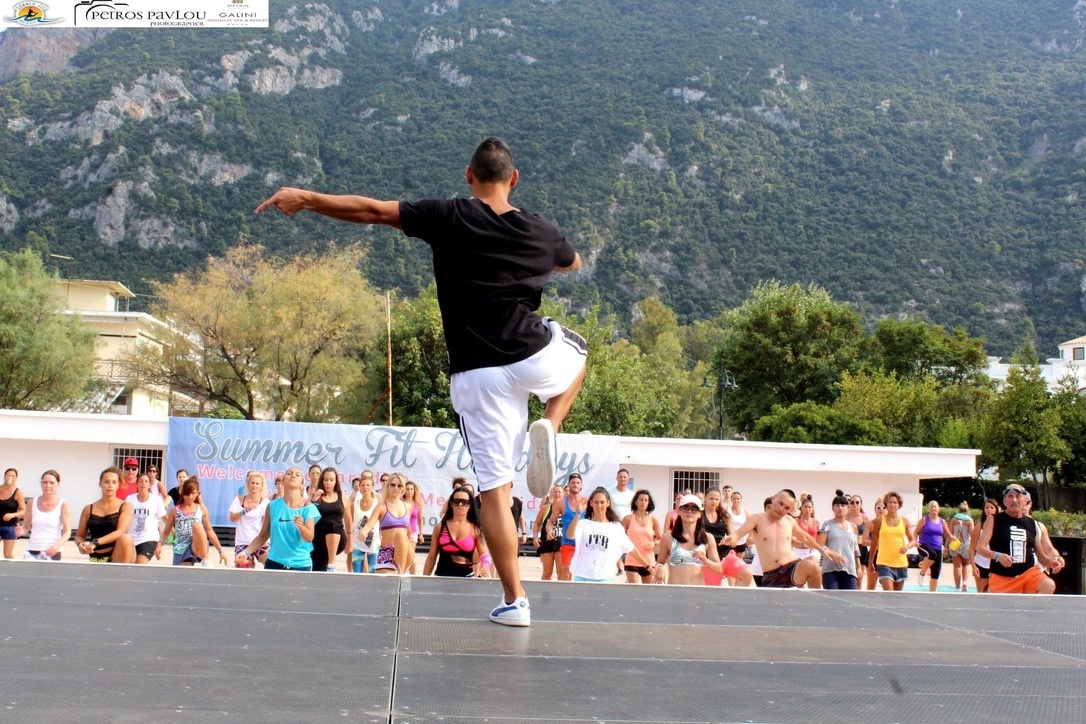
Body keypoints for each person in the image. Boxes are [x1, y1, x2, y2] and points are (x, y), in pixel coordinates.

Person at [258, 136, 588, 626]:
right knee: (577, 355)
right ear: (514, 179)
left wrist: (306, 198)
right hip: (531, 353)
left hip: (477, 373)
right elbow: (571, 262)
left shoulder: (449, 215)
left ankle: (516, 601)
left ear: (469, 176)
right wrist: (533, 257)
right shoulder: (541, 229)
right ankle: (551, 424)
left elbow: (372, 211)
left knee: (495, 491)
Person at [724, 489, 843, 588]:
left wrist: (822, 550)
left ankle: (815, 601)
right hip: (771, 575)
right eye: (780, 503)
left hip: (791, 568)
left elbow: (805, 537)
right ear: (774, 498)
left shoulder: (789, 521)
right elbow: (738, 533)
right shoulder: (757, 519)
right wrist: (731, 538)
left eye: (786, 508)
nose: (782, 509)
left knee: (813, 566)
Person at [976, 484, 1063, 594]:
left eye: (1018, 496)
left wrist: (1052, 561)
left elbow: (1041, 554)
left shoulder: (1033, 524)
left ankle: (1032, 606)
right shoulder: (993, 520)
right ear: (1004, 501)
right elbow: (980, 548)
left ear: (1025, 501)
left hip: (1028, 574)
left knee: (1048, 585)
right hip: (1002, 577)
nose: (1014, 500)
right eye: (1010, 496)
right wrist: (997, 555)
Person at [236, 466, 320, 571]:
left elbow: (309, 538)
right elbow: (263, 536)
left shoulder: (308, 507)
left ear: (302, 485)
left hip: (300, 564)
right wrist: (245, 552)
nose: (293, 475)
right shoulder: (272, 506)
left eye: (297, 475)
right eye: (289, 473)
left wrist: (302, 527)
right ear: (283, 481)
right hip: (274, 562)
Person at [567, 487, 648, 583]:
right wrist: (578, 513)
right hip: (582, 576)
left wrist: (648, 567)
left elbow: (631, 549)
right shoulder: (583, 524)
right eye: (596, 502)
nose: (599, 505)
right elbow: (570, 535)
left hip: (604, 577)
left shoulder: (615, 527)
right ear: (591, 503)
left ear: (608, 503)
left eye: (602, 502)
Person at [653, 494, 725, 585]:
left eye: (694, 509)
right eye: (685, 508)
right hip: (674, 590)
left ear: (700, 514)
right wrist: (660, 567)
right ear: (679, 511)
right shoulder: (668, 538)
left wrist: (705, 560)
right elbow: (659, 562)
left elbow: (719, 569)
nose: (689, 511)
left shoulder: (707, 538)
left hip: (697, 591)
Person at [356, 472, 417, 574]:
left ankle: (401, 574)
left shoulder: (408, 507)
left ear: (403, 488)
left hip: (405, 551)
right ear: (388, 486)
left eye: (399, 485)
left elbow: (408, 531)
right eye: (393, 485)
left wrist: (409, 548)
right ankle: (400, 575)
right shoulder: (381, 507)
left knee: (401, 535)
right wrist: (363, 532)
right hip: (386, 552)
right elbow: (369, 525)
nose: (396, 488)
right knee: (387, 582)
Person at [423, 487, 490, 577]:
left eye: (464, 502)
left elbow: (485, 554)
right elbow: (432, 556)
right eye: (456, 501)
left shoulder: (475, 529)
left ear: (470, 505)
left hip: (466, 579)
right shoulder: (440, 527)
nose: (460, 504)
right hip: (441, 578)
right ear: (451, 504)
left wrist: (486, 565)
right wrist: (424, 579)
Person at [159, 477, 226, 566]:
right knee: (185, 572)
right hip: (181, 548)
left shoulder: (202, 509)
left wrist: (220, 551)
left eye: (193, 493)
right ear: (182, 493)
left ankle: (205, 560)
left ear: (197, 493)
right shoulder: (174, 510)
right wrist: (159, 544)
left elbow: (209, 530)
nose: (190, 497)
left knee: (197, 526)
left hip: (197, 546)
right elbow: (166, 531)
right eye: (187, 494)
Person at [75, 466, 135, 563]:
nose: (110, 485)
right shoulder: (88, 509)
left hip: (117, 557)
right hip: (96, 557)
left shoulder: (126, 506)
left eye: (114, 482)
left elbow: (120, 532)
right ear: (100, 484)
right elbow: (79, 535)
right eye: (106, 482)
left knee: (125, 538)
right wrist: (80, 543)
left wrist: (96, 542)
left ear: (118, 484)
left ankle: (123, 571)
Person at [700, 488, 751, 587]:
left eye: (717, 499)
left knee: (746, 573)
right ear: (705, 498)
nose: (714, 501)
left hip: (726, 555)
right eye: (711, 498)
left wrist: (729, 539)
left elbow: (733, 537)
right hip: (708, 558)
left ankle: (735, 595)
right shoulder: (699, 515)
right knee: (712, 589)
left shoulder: (724, 516)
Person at [866, 491, 915, 591]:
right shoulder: (879, 521)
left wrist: (907, 547)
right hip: (884, 562)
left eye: (895, 502)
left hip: (900, 562)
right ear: (886, 504)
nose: (892, 504)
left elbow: (913, 540)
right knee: (888, 593)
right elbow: (874, 542)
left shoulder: (904, 520)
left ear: (899, 505)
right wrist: (870, 561)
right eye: (890, 502)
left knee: (896, 597)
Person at [22, 470, 70, 561]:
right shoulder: (32, 502)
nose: (48, 485)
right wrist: (20, 531)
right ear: (41, 484)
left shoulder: (63, 504)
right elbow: (25, 527)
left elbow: (67, 532)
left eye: (51, 483)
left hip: (52, 551)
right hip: (32, 549)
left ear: (58, 484)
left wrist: (57, 546)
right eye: (45, 482)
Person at [817, 491, 861, 589]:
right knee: (832, 596)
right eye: (837, 505)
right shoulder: (827, 525)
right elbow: (820, 544)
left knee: (850, 596)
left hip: (849, 569)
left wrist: (858, 566)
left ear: (848, 508)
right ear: (833, 508)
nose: (840, 508)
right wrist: (833, 554)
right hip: (830, 569)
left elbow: (855, 548)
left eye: (843, 505)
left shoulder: (853, 526)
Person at [311, 467, 352, 572]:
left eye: (331, 480)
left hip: (337, 535)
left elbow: (348, 521)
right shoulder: (316, 496)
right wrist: (314, 501)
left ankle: (332, 564)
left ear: (336, 481)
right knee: (318, 569)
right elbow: (308, 516)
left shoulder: (343, 497)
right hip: (318, 536)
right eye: (325, 480)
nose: (328, 483)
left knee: (332, 526)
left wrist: (350, 541)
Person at [229, 472, 270, 568]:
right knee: (243, 566)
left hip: (259, 541)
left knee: (270, 565)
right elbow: (232, 518)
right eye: (252, 483)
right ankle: (249, 563)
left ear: (261, 486)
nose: (254, 486)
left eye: (257, 483)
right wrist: (244, 511)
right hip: (243, 541)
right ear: (248, 484)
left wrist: (265, 540)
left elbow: (267, 524)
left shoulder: (266, 502)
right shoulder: (239, 499)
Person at [126, 472, 167, 564]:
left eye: (146, 481)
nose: (143, 483)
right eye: (141, 481)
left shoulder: (156, 500)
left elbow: (166, 520)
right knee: (128, 566)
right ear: (137, 484)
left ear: (149, 485)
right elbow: (124, 518)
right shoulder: (129, 499)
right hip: (131, 539)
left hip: (148, 539)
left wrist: (161, 542)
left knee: (139, 564)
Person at [622, 489, 661, 584]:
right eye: (641, 500)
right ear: (636, 502)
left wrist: (653, 542)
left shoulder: (653, 519)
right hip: (632, 559)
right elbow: (620, 537)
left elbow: (661, 539)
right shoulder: (627, 519)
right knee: (633, 590)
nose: (643, 502)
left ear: (649, 502)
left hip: (649, 560)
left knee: (648, 591)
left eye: (646, 500)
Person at [914, 500, 952, 591]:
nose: (933, 508)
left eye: (935, 506)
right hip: (924, 545)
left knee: (935, 573)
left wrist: (953, 538)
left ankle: (933, 593)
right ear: (929, 509)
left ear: (938, 508)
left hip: (937, 547)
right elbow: (916, 532)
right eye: (931, 506)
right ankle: (922, 573)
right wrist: (915, 542)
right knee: (932, 555)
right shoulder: (924, 520)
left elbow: (948, 535)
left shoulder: (942, 522)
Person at [532, 484, 565, 580]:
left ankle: (561, 590)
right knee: (547, 572)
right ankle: (545, 589)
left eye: (559, 492)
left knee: (561, 572)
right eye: (555, 492)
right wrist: (535, 537)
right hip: (547, 543)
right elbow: (536, 523)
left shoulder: (566, 509)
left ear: (563, 494)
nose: (557, 494)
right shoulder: (545, 508)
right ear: (551, 494)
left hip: (561, 543)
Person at [557, 473, 586, 581]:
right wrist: (549, 529)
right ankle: (565, 591)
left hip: (584, 543)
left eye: (578, 482)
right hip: (567, 543)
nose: (575, 484)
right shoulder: (561, 503)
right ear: (568, 484)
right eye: (573, 482)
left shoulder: (587, 502)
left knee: (583, 573)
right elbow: (551, 521)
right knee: (566, 570)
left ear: (582, 485)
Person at [351, 472, 380, 573]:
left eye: (368, 485)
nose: (365, 487)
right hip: (357, 542)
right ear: (359, 487)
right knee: (357, 574)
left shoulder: (377, 502)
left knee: (373, 573)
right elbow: (350, 520)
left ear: (372, 487)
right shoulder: (355, 502)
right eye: (363, 485)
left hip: (374, 544)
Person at [970, 498, 1001, 593]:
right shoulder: (979, 527)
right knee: (982, 592)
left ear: (996, 509)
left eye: (992, 508)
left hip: (996, 563)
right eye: (987, 508)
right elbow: (972, 548)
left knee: (996, 591)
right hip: (981, 563)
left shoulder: (1001, 526)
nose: (989, 510)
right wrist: (973, 566)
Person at [859, 497, 886, 589]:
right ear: (875, 509)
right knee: (871, 586)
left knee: (888, 584)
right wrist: (875, 543)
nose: (881, 509)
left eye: (884, 507)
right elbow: (864, 541)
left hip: (888, 555)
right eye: (879, 507)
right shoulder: (870, 523)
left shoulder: (892, 524)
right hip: (874, 554)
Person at [0, 467, 26, 559]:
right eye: (8, 475)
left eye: (13, 476)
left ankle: (13, 567)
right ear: (4, 477)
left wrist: (13, 514)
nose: (10, 477)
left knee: (7, 554)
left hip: (9, 526)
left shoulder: (17, 492)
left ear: (16, 478)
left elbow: (24, 511)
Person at [846, 495, 870, 586]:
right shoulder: (846, 517)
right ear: (849, 504)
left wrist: (862, 538)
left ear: (861, 504)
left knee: (860, 577)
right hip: (849, 549)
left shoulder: (865, 518)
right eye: (852, 502)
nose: (855, 504)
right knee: (849, 575)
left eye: (857, 502)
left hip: (862, 548)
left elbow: (871, 534)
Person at [949, 502, 973, 592]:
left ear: (958, 510)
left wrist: (946, 547)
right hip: (966, 544)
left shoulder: (954, 520)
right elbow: (972, 534)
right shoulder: (969, 520)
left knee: (957, 566)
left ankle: (957, 587)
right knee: (966, 564)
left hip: (954, 543)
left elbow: (949, 534)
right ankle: (965, 582)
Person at [403, 479, 424, 574]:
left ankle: (413, 576)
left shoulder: (417, 503)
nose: (409, 491)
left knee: (411, 555)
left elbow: (420, 519)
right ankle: (401, 574)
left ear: (414, 490)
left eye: (411, 489)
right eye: (407, 489)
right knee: (402, 554)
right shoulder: (401, 502)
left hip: (413, 532)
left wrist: (421, 533)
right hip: (402, 532)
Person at [793, 497, 820, 562]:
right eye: (805, 507)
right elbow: (792, 538)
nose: (807, 509)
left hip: (812, 551)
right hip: (798, 551)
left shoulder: (816, 521)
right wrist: (803, 544)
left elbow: (818, 538)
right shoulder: (795, 521)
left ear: (812, 509)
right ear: (801, 508)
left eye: (809, 507)